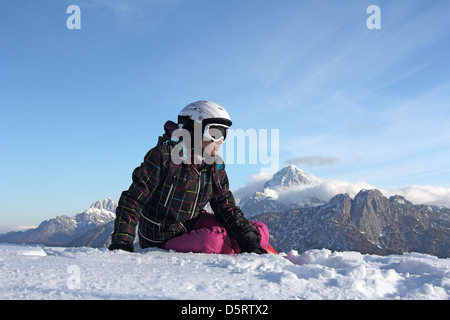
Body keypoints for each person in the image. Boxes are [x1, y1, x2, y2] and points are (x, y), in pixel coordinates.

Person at [109, 101, 273, 254]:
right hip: (161, 235)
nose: (221, 140)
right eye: (215, 132)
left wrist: (248, 241)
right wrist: (122, 243)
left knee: (258, 230)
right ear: (192, 129)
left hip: (190, 223)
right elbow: (132, 200)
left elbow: (226, 208)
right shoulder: (164, 156)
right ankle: (229, 248)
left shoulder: (214, 165)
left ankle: (236, 246)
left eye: (225, 133)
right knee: (214, 240)